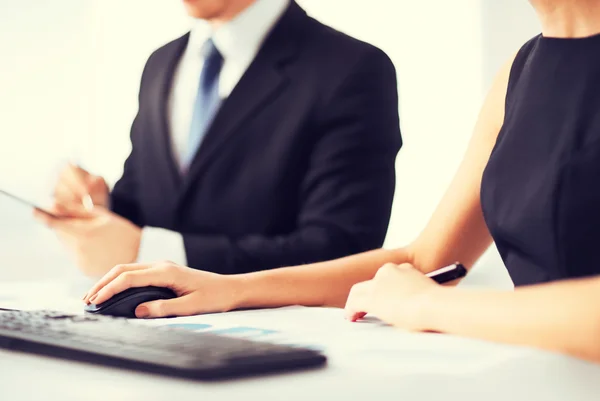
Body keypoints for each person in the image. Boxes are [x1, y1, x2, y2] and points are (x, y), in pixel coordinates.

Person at [83, 0, 600, 363]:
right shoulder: (521, 68)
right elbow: (427, 261)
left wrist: (429, 306)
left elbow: (429, 288)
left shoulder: (350, 67)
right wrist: (229, 289)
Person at [35, 0, 402, 276]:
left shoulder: (350, 68)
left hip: (267, 349)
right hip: (149, 332)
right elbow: (149, 208)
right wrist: (100, 208)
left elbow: (342, 250)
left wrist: (149, 251)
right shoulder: (161, 64)